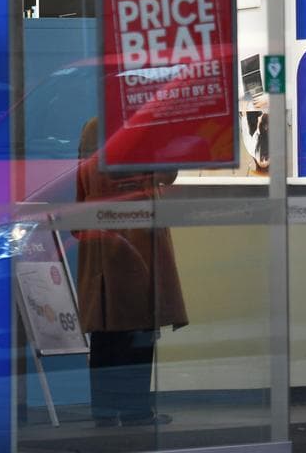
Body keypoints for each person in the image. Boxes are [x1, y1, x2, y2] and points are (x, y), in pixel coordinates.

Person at [73, 117, 189, 427]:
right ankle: (135, 410)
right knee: (140, 326)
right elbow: (167, 174)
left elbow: (81, 179)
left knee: (105, 331)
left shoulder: (92, 127)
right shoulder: (142, 126)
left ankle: (104, 410)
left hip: (99, 231)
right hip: (136, 231)